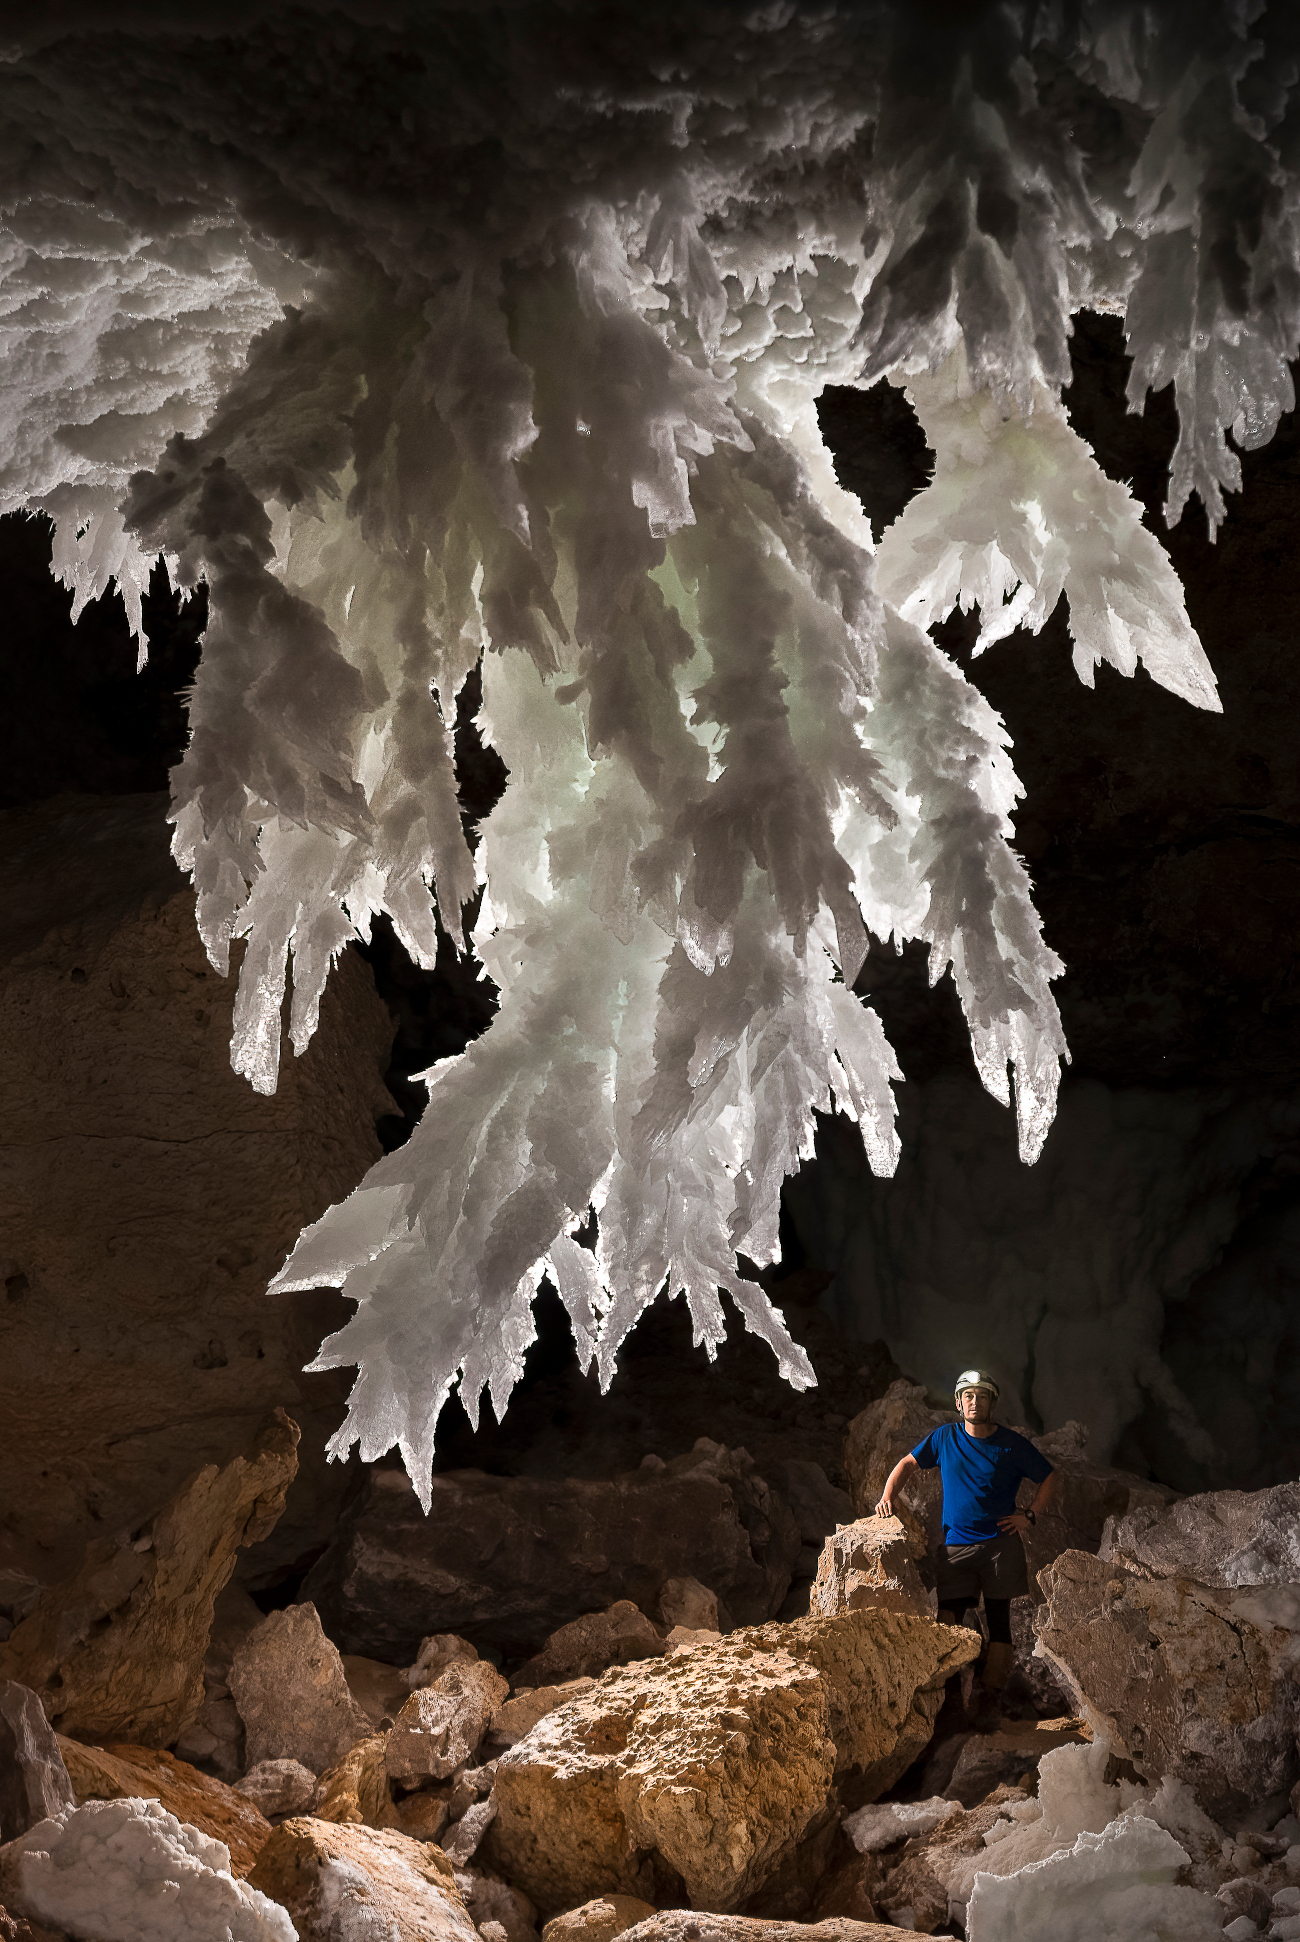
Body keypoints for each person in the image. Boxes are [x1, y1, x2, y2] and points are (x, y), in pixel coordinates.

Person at [874, 1368, 1060, 1712]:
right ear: (959, 1403)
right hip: (956, 1544)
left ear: (992, 1403)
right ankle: (944, 1698)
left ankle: (988, 1698)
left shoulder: (1012, 1445)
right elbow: (907, 1463)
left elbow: (1049, 1476)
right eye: (969, 1396)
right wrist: (887, 1496)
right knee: (948, 1618)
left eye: (983, 1396)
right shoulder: (945, 1438)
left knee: (1000, 1620)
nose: (976, 1402)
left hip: (1000, 1546)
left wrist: (1029, 1516)